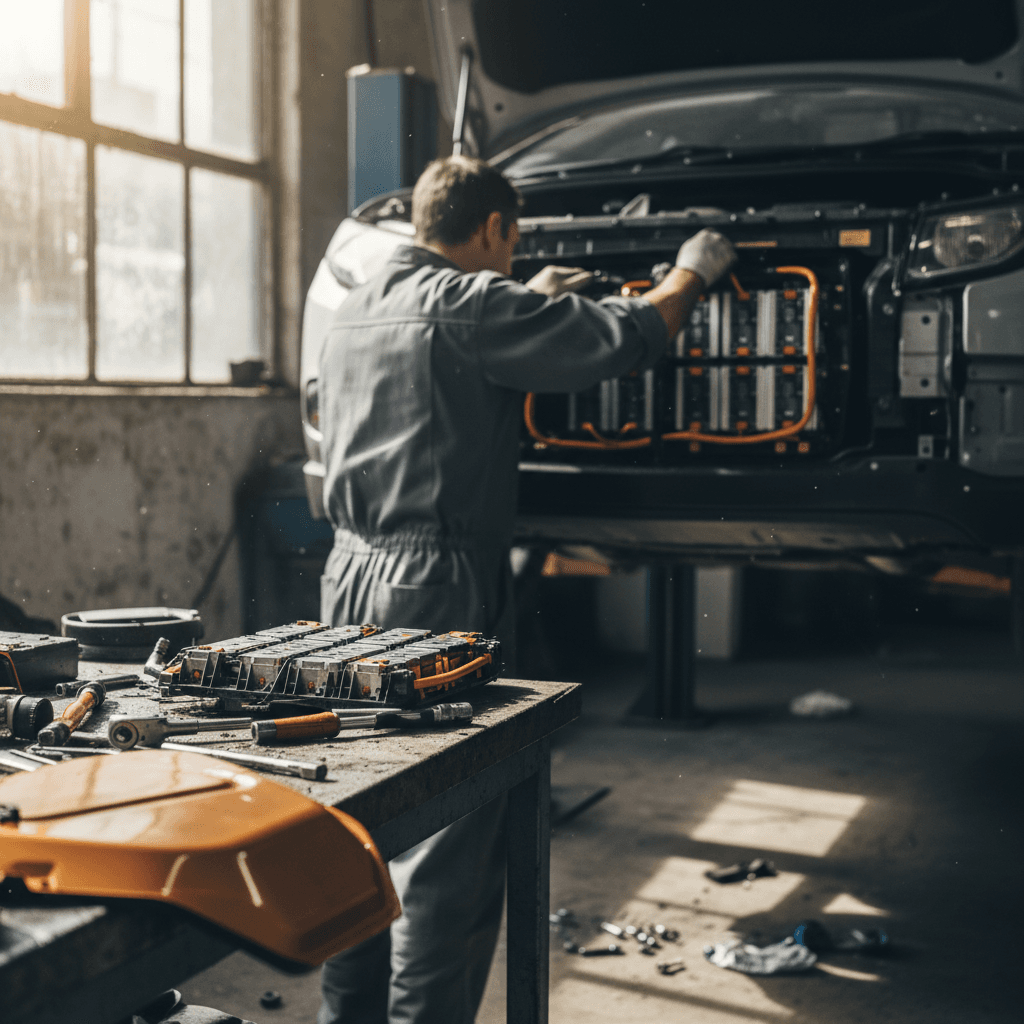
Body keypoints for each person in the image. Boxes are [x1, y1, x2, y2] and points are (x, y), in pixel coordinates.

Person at [317, 155, 736, 1024]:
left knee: (357, 825)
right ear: (496, 229)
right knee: (448, 846)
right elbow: (622, 335)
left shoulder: (357, 305)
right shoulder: (473, 306)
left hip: (345, 578)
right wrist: (693, 271)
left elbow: (440, 346)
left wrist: (528, 294)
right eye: (513, 248)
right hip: (433, 587)